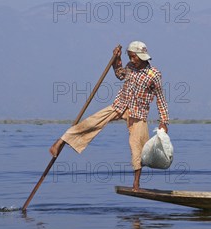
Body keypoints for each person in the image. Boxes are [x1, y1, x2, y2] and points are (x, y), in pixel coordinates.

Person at [49, 41, 169, 191]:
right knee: (92, 122)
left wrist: (164, 121)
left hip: (138, 113)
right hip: (120, 105)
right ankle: (60, 141)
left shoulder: (154, 75)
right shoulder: (130, 67)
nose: (132, 60)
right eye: (130, 57)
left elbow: (160, 98)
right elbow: (120, 74)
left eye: (134, 57)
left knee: (137, 147)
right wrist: (116, 60)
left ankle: (136, 184)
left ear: (142, 57)